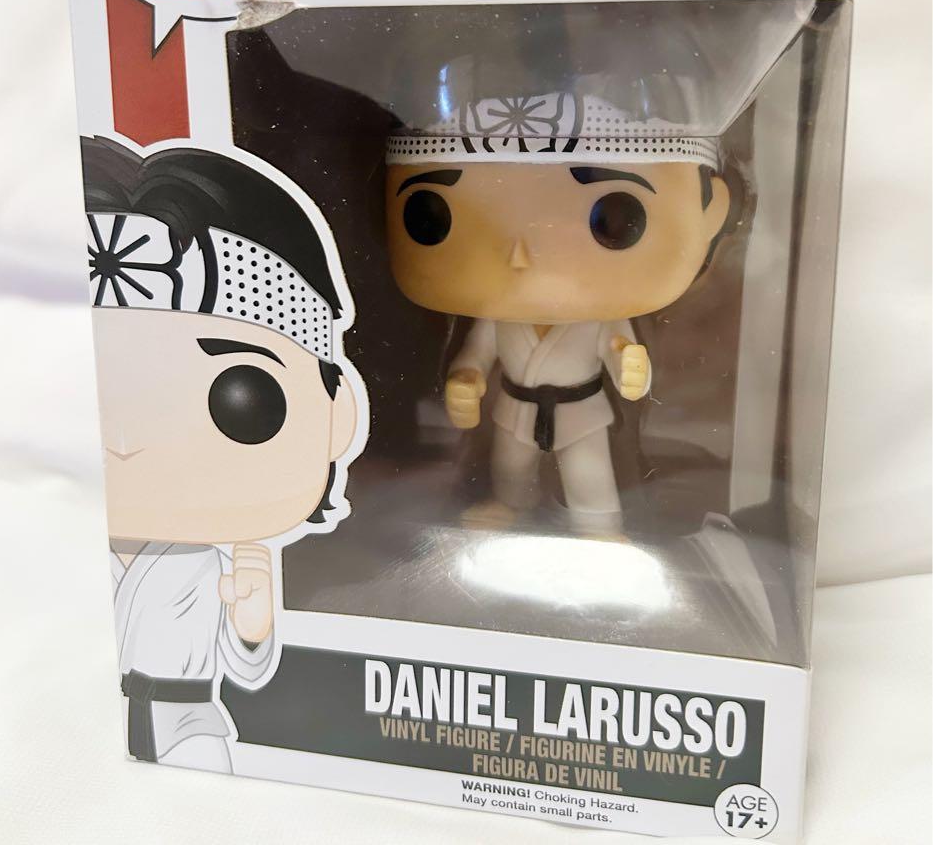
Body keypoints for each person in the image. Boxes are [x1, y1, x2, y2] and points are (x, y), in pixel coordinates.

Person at [82, 136, 366, 771]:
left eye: (241, 398)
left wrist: (253, 621)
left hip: (188, 725)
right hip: (73, 725)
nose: (123, 441)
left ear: (336, 415)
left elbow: (249, 669)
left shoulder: (209, 563)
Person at [384, 92, 729, 533]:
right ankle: (509, 505)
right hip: (517, 405)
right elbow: (477, 354)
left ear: (711, 214)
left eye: (612, 218)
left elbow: (619, 349)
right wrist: (465, 378)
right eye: (433, 217)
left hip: (580, 409)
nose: (521, 253)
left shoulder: (602, 316)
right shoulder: (496, 317)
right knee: (511, 468)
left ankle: (598, 525)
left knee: (589, 473)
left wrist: (629, 365)